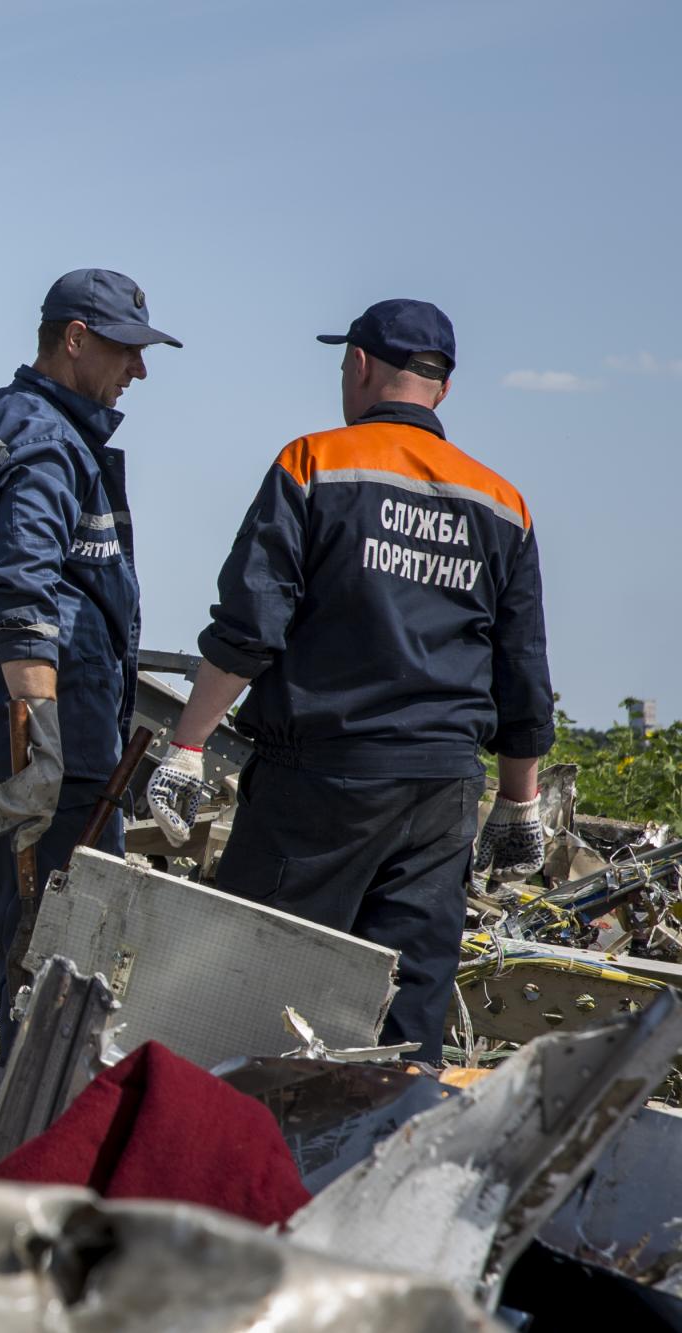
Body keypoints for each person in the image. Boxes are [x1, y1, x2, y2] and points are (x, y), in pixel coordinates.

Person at [145, 299, 553, 1063]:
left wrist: (187, 746)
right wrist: (519, 799)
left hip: (320, 786)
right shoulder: (503, 504)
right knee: (404, 1021)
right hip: (440, 796)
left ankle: (234, 1169)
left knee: (249, 994)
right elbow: (521, 669)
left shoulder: (314, 464)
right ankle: (382, 1162)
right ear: (443, 388)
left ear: (360, 366)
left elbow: (249, 628)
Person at [0, 270, 181, 1072]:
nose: (140, 370)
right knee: (68, 967)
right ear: (76, 338)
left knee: (27, 951)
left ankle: (24, 1124)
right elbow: (25, 595)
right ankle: (40, 1137)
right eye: (127, 350)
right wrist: (43, 746)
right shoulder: (50, 443)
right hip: (51, 768)